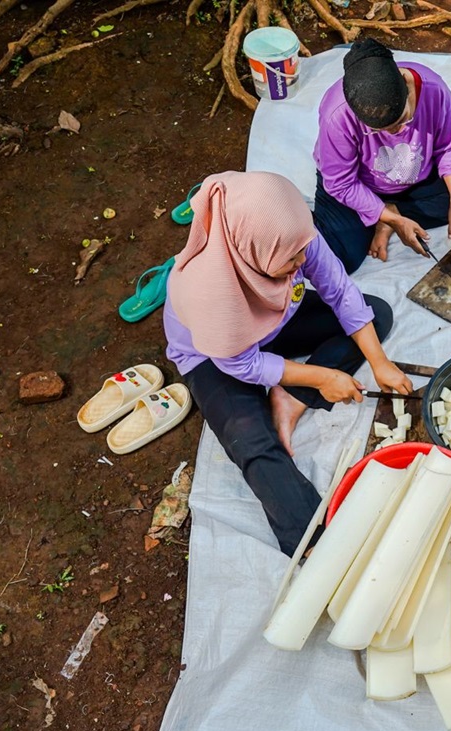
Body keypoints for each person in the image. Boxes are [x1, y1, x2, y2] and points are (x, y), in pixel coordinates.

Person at [163, 171, 413, 555]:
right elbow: (241, 365)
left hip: (274, 321)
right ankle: (316, 542)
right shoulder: (210, 292)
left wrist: (378, 363)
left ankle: (290, 396)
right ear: (252, 255)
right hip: (217, 356)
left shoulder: (292, 236)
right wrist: (322, 376)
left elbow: (339, 289)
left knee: (373, 315)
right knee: (253, 443)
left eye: (302, 251)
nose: (302, 263)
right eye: (290, 260)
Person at [312, 38, 451, 273]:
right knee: (340, 258)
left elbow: (449, 146)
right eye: (379, 130)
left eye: (403, 120)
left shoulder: (434, 89)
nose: (396, 133)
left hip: (415, 177)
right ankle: (383, 214)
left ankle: (392, 212)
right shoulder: (337, 115)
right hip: (359, 186)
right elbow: (340, 182)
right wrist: (388, 217)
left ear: (405, 83)